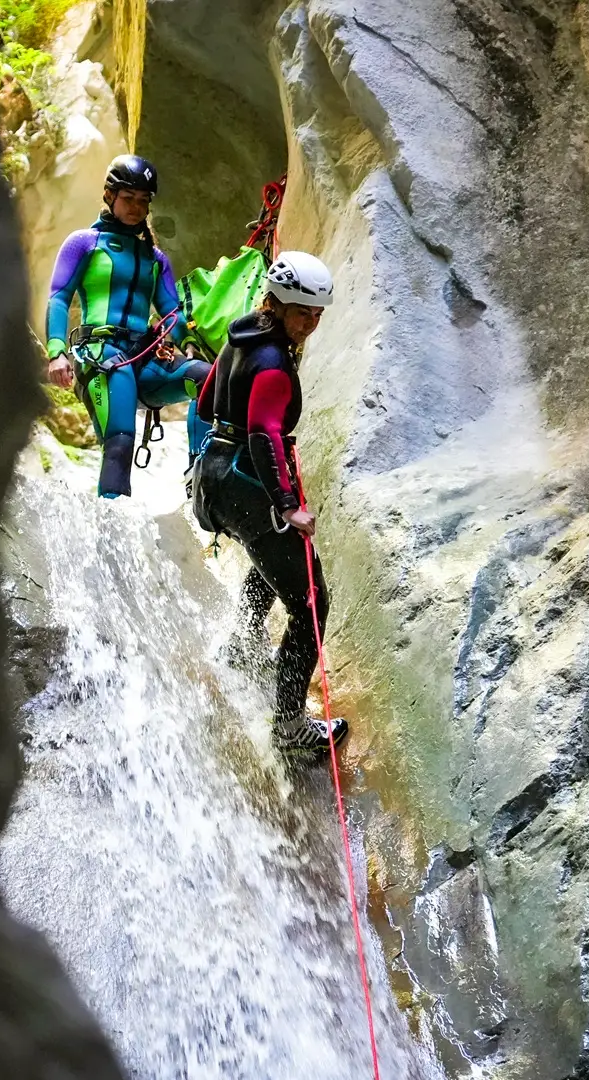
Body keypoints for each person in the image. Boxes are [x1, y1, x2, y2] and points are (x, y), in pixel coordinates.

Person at [192, 252, 350, 756]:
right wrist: (287, 505)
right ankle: (290, 728)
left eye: (318, 312)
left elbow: (203, 404)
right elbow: (264, 436)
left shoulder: (242, 334)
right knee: (311, 603)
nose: (312, 322)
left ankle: (241, 644)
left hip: (214, 472)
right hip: (248, 481)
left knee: (268, 561)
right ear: (278, 304)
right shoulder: (275, 363)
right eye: (303, 311)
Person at [44, 154, 212, 498]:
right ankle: (109, 517)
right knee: (120, 441)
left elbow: (171, 312)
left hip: (145, 356)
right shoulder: (84, 243)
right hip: (102, 356)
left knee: (209, 379)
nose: (136, 207)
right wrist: (57, 352)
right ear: (109, 196)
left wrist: (188, 343)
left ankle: (201, 475)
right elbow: (59, 298)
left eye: (143, 201)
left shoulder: (155, 258)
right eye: (128, 199)